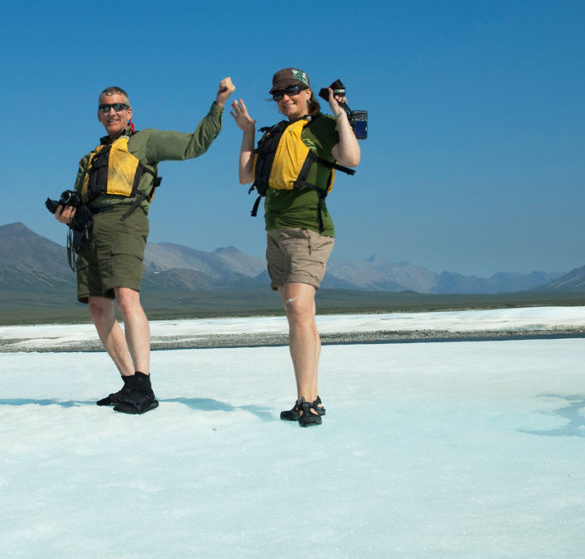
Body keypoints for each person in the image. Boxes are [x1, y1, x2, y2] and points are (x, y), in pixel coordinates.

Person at [54, 78, 235, 414]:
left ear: (129, 112)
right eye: (105, 107)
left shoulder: (146, 141)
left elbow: (194, 145)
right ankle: (129, 384)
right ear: (98, 115)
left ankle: (145, 384)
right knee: (97, 305)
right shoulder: (90, 158)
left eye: (118, 106)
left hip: (126, 220)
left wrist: (219, 104)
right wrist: (67, 215)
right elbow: (80, 200)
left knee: (126, 296)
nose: (112, 112)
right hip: (90, 229)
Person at [231, 68, 361, 427]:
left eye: (292, 91)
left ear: (307, 93)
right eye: (278, 94)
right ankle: (312, 396)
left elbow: (351, 158)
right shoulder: (275, 133)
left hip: (308, 229)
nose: (284, 98)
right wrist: (247, 132)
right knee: (299, 317)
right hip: (275, 230)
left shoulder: (319, 127)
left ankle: (306, 401)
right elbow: (246, 175)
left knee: (299, 310)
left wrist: (340, 113)